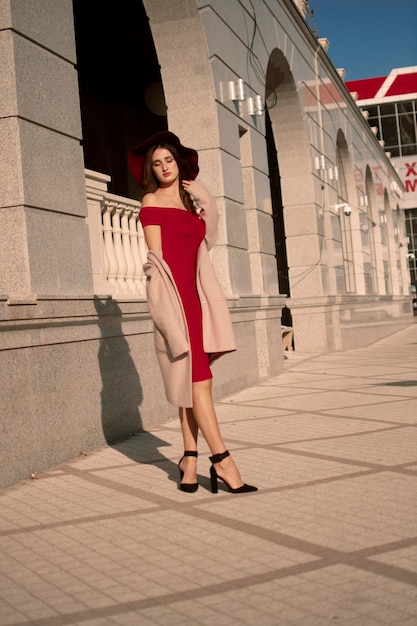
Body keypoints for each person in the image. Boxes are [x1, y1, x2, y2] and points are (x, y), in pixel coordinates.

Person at [128, 131, 257, 495]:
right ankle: (224, 461)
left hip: (199, 303)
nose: (164, 166)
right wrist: (164, 316)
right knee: (199, 383)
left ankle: (189, 461)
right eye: (157, 163)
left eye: (169, 160)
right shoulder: (150, 201)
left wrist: (207, 200)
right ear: (151, 170)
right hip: (176, 306)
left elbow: (208, 240)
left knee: (193, 384)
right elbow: (155, 263)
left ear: (178, 163)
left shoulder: (190, 205)